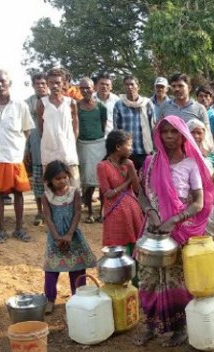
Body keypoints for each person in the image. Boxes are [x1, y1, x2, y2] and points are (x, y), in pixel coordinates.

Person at [136, 116, 214, 347]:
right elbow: (141, 193)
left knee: (175, 281)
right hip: (152, 230)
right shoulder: (150, 162)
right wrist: (151, 213)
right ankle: (151, 326)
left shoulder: (191, 164)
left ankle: (179, 329)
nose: (169, 136)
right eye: (165, 132)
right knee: (148, 280)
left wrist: (174, 221)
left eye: (174, 132)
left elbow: (199, 202)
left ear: (182, 135)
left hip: (178, 231)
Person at [0, 69, 35, 243]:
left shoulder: (20, 104)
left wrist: (18, 146)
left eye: (3, 81)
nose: (0, 84)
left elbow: (27, 130)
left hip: (15, 155)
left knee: (18, 192)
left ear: (10, 83)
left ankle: (19, 228)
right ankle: (1, 229)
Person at [41, 160, 96, 314]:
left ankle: (78, 297)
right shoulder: (46, 196)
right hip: (55, 238)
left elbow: (77, 213)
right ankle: (50, 299)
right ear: (50, 180)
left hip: (73, 236)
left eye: (65, 177)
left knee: (77, 268)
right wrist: (57, 237)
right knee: (51, 270)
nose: (62, 181)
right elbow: (48, 218)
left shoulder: (74, 193)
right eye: (58, 178)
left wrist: (70, 235)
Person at [98, 130, 144, 252]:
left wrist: (131, 169)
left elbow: (137, 189)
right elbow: (108, 194)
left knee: (136, 249)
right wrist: (127, 182)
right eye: (129, 145)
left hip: (133, 212)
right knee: (119, 251)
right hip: (115, 215)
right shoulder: (103, 166)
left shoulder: (129, 164)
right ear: (118, 147)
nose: (131, 149)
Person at [38, 68, 80, 189]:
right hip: (49, 150)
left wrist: (70, 142)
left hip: (68, 150)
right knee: (50, 184)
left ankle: (75, 208)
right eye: (52, 83)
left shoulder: (71, 102)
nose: (55, 86)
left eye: (58, 83)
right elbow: (41, 129)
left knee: (73, 184)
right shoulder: (42, 103)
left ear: (64, 83)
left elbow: (76, 127)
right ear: (48, 83)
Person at [76, 77, 107, 222]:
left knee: (100, 179)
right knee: (87, 181)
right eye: (82, 88)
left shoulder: (101, 107)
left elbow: (102, 125)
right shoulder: (75, 106)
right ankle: (89, 212)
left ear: (93, 88)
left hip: (99, 145)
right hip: (82, 145)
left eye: (88, 87)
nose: (86, 90)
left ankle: (102, 211)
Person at [113, 75, 156, 173]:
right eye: (126, 85)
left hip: (145, 151)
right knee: (127, 182)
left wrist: (154, 149)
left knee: (145, 181)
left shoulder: (147, 103)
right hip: (126, 152)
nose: (129, 87)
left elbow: (153, 127)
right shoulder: (119, 105)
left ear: (138, 86)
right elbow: (116, 130)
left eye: (132, 84)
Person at [25, 73, 48, 226]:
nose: (40, 86)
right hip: (35, 144)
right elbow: (24, 128)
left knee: (53, 180)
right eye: (37, 83)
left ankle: (52, 212)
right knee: (38, 182)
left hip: (53, 146)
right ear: (33, 85)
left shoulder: (54, 100)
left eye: (43, 83)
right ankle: (40, 212)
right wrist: (26, 148)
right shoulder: (27, 103)